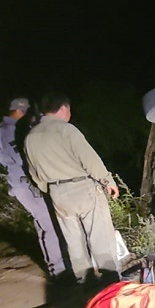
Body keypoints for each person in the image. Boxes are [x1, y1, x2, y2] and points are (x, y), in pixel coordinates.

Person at [24, 92, 120, 285]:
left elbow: (34, 172)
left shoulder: (30, 137)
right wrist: (107, 180)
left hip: (57, 193)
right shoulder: (66, 130)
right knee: (99, 235)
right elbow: (89, 159)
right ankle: (110, 280)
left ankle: (84, 280)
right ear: (63, 108)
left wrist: (50, 189)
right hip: (82, 187)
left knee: (73, 240)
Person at [0, 97, 67, 278]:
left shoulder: (8, 129)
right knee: (49, 224)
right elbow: (22, 157)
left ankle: (56, 267)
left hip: (22, 183)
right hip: (25, 183)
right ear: (20, 111)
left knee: (43, 224)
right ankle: (59, 270)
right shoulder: (9, 131)